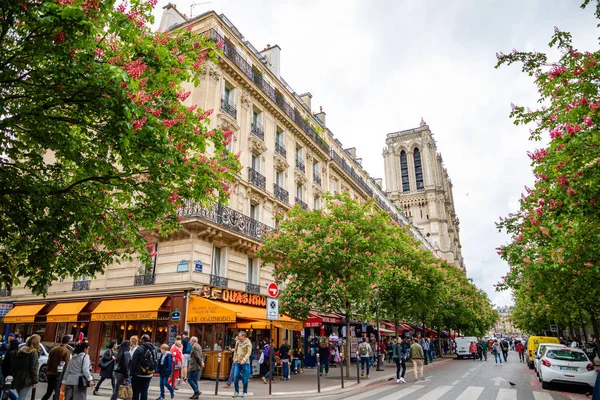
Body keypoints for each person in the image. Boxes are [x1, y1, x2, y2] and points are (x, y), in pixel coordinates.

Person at [41, 335, 71, 400]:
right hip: (59, 374)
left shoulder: (53, 349)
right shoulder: (66, 351)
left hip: (50, 373)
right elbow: (66, 364)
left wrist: (47, 372)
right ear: (68, 342)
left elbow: (48, 362)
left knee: (49, 392)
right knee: (57, 392)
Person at [12, 334, 40, 400]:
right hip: (27, 379)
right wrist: (35, 381)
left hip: (18, 377)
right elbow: (33, 367)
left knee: (21, 396)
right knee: (23, 397)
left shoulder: (21, 350)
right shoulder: (33, 352)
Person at [130, 334, 156, 400]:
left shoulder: (140, 349)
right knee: (144, 392)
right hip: (149, 374)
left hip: (138, 374)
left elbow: (134, 361)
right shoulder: (153, 349)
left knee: (136, 392)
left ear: (143, 340)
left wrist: (131, 373)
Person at [232, 331, 251, 398]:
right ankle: (236, 391)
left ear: (243, 336)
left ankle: (244, 392)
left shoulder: (248, 343)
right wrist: (234, 358)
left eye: (239, 336)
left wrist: (244, 360)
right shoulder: (237, 342)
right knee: (235, 376)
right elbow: (235, 351)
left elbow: (249, 353)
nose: (238, 337)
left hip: (245, 363)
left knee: (245, 378)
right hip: (237, 362)